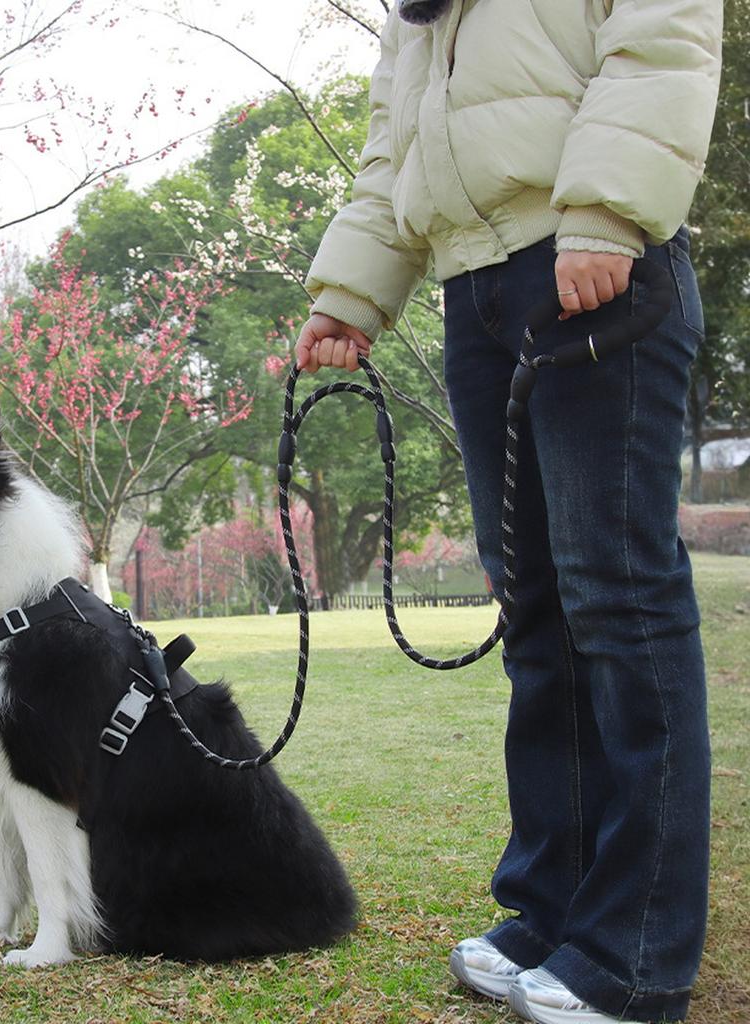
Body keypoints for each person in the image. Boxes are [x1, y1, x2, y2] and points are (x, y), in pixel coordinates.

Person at [295, 2, 723, 1022]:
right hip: (474, 287)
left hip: (591, 262)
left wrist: (608, 212)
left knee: (616, 600)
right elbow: (388, 148)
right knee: (536, 614)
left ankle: (634, 952)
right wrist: (350, 289)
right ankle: (552, 908)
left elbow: (660, 38)